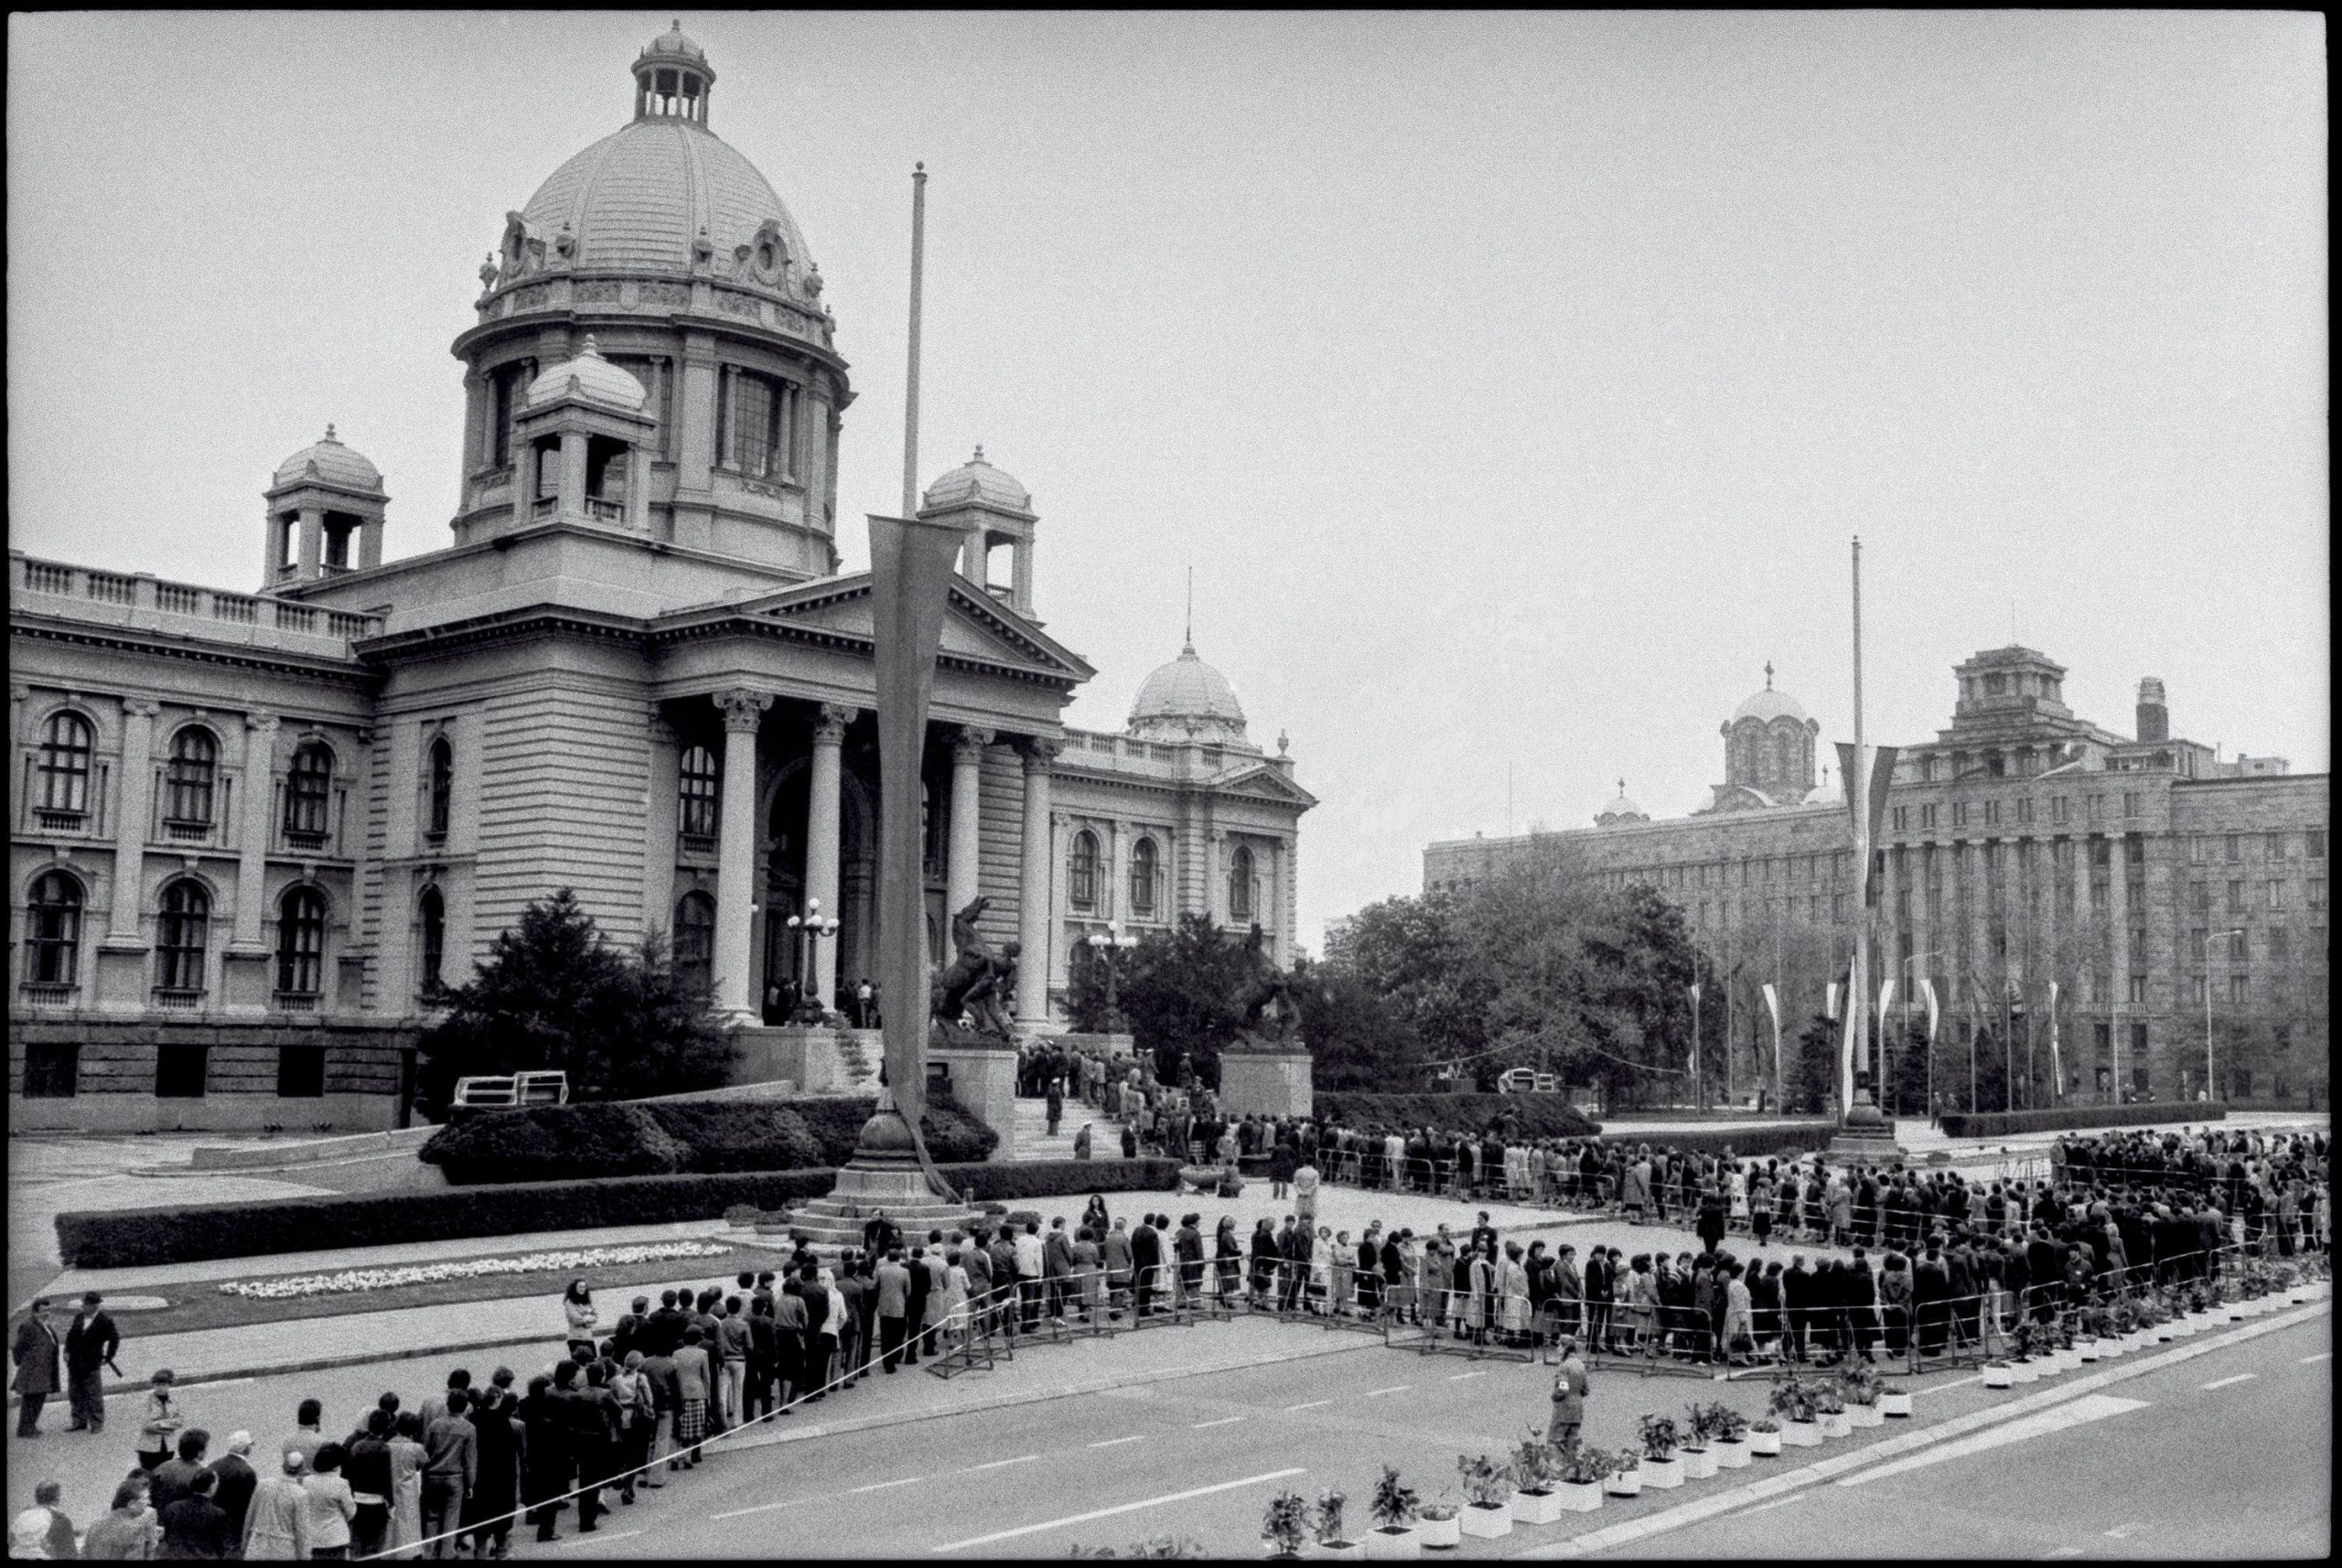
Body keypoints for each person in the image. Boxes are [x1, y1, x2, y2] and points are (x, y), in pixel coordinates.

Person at [465, 1385, 523, 1557]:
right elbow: (511, 1452)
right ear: (497, 1398)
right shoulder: (504, 1420)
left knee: (481, 1516)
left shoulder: (473, 1418)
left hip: (480, 1476)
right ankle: (501, 1550)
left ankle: (480, 1550)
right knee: (502, 1517)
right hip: (502, 1476)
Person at [419, 1388, 478, 1556]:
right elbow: (469, 1460)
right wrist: (470, 1483)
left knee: (432, 1517)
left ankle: (429, 1553)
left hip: (432, 1476)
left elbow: (425, 1453)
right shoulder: (469, 1429)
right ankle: (447, 1553)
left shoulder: (434, 1425)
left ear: (448, 1405)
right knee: (451, 1519)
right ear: (465, 1406)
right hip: (455, 1477)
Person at [64, 1291, 122, 1437]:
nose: (82, 1306)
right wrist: (66, 1351)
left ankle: (96, 1423)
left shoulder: (105, 1321)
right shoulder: (79, 1317)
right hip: (75, 1362)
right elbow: (71, 1336)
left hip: (91, 1363)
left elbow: (114, 1339)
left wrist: (108, 1357)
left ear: (94, 1306)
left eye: (86, 1304)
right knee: (75, 1392)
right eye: (83, 1304)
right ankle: (79, 1422)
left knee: (93, 1394)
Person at [242, 1453, 310, 1561]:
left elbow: (250, 1515)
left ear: (283, 1465)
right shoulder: (300, 1494)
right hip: (284, 1548)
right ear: (301, 1470)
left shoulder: (263, 1485)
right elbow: (301, 1530)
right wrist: (305, 1556)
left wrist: (244, 1541)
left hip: (257, 1544)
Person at [12, 1298, 61, 1441]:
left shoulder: (46, 1325)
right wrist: (24, 1363)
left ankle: (30, 1426)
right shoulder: (28, 1326)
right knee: (30, 1399)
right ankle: (24, 1429)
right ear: (35, 1312)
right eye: (44, 1311)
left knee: (39, 1398)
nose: (47, 1313)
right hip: (32, 1371)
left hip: (44, 1370)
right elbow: (18, 1348)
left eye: (48, 1310)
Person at [81, 1477, 160, 1561]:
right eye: (146, 1499)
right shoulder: (135, 1531)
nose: (149, 1502)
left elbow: (84, 1556)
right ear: (132, 1504)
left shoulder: (95, 1525)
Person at [302, 1443, 358, 1560]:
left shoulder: (305, 1481)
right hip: (335, 1538)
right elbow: (351, 1512)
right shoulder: (341, 1484)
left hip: (311, 1538)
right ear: (336, 1465)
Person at [384, 1412, 427, 1557]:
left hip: (390, 1486)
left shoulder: (387, 1446)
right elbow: (423, 1463)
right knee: (411, 1523)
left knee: (393, 1523)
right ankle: (411, 1552)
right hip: (408, 1489)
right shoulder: (417, 1448)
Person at [12, 1478, 81, 1562]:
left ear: (36, 1498)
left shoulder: (21, 1517)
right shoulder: (60, 1520)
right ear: (58, 1497)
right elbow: (70, 1555)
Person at [136, 1371, 186, 1475]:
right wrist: (168, 1425)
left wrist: (159, 1423)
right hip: (148, 1448)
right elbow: (147, 1425)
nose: (160, 1387)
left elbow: (179, 1421)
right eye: (157, 1384)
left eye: (163, 1384)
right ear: (153, 1385)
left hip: (168, 1447)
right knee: (149, 1476)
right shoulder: (147, 1402)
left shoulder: (174, 1401)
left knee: (165, 1475)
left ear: (168, 1385)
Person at [1548, 1337, 1590, 1451]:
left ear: (1565, 1348)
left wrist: (1555, 1396)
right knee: (1572, 1444)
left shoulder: (1564, 1366)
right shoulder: (1580, 1364)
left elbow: (1563, 1388)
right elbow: (1586, 1389)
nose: (1557, 1349)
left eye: (1559, 1346)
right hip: (1577, 1409)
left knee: (1555, 1442)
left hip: (1564, 1410)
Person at [561, 1282, 597, 1364]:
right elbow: (575, 1319)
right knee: (578, 1364)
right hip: (575, 1337)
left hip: (588, 1337)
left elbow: (595, 1317)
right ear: (575, 1288)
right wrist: (588, 1317)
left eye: (584, 1287)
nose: (582, 1289)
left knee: (593, 1362)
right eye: (580, 1287)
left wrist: (587, 1318)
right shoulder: (569, 1303)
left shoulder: (588, 1302)